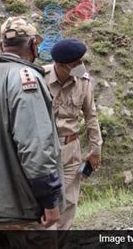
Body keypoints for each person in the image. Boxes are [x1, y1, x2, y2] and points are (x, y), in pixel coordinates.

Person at [0, 17, 64, 231]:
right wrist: (49, 199)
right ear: (32, 45)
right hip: (24, 208)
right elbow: (36, 145)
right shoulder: (26, 78)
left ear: (2, 45)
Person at [43, 38, 103, 231]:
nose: (81, 66)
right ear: (60, 65)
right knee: (46, 204)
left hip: (71, 150)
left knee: (68, 203)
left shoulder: (83, 82)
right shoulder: (39, 77)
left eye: (81, 61)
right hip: (44, 150)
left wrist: (95, 149)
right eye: (76, 64)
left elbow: (91, 117)